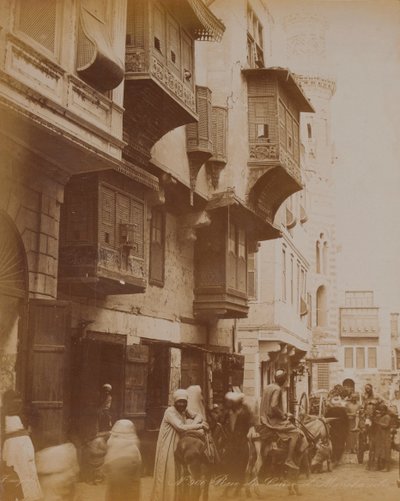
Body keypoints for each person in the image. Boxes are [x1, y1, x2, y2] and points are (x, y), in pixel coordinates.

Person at [151, 388, 206, 501]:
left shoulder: (184, 410)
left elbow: (198, 416)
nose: (181, 404)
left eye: (184, 402)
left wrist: (195, 421)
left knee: (180, 471)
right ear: (174, 402)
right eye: (179, 402)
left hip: (180, 444)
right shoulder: (170, 411)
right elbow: (180, 427)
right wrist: (199, 426)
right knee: (170, 470)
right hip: (168, 445)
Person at [1, 390, 43, 501]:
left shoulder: (6, 412)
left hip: (14, 445)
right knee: (22, 472)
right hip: (21, 444)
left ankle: (22, 497)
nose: (16, 402)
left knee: (19, 472)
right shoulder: (21, 410)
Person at [260, 369, 305, 470]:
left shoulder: (268, 387)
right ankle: (289, 459)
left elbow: (269, 406)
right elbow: (273, 406)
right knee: (295, 432)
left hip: (263, 418)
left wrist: (284, 413)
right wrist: (283, 416)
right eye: (286, 380)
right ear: (284, 381)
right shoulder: (278, 389)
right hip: (272, 421)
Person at [220, 391, 254, 497]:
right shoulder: (227, 413)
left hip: (241, 444)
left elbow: (251, 425)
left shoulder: (245, 413)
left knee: (241, 467)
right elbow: (222, 423)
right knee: (230, 467)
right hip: (230, 444)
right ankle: (230, 489)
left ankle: (237, 489)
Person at [103, 419, 142, 501]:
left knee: (114, 492)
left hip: (115, 466)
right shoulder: (134, 440)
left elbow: (107, 460)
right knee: (131, 491)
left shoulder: (112, 440)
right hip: (131, 463)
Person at [374, 404, 392, 472]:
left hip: (386, 436)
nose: (381, 411)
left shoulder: (387, 416)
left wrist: (378, 423)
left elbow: (386, 425)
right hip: (380, 436)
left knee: (386, 451)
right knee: (381, 451)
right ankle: (381, 466)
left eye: (382, 410)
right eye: (380, 410)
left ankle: (387, 467)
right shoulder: (380, 416)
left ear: (385, 410)